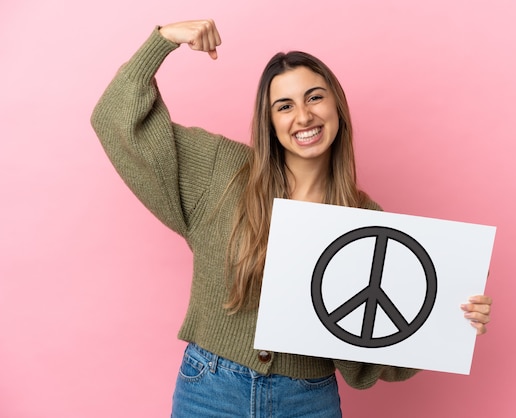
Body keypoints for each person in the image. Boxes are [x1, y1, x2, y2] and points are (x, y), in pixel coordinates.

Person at [91, 19, 493, 418]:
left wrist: (449, 321)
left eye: (314, 97)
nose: (303, 116)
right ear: (270, 122)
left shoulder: (365, 219)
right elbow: (115, 118)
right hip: (210, 391)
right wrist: (163, 41)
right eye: (284, 106)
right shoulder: (220, 171)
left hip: (308, 401)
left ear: (336, 105)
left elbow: (379, 349)